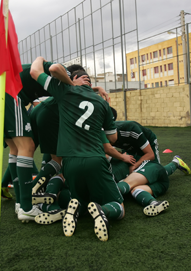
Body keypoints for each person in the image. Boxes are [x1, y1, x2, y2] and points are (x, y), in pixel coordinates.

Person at [30, 58, 124, 241]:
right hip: (95, 158)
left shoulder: (64, 91)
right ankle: (102, 210)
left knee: (74, 193)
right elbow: (113, 138)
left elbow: (37, 71)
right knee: (119, 207)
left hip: (69, 161)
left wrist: (40, 59)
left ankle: (68, 208)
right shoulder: (102, 103)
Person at [0, 61, 78, 222]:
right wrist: (72, 84)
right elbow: (54, 69)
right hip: (8, 91)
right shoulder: (62, 73)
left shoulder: (55, 84)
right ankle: (27, 207)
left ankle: (21, 203)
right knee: (27, 146)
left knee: (15, 148)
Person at [116, 155, 190, 216]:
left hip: (151, 166)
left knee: (127, 184)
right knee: (135, 190)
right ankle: (154, 203)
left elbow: (150, 153)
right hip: (161, 184)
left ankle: (176, 162)